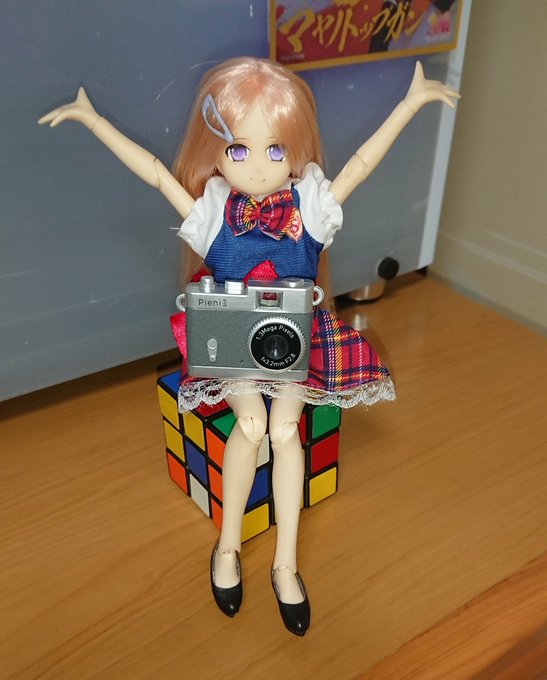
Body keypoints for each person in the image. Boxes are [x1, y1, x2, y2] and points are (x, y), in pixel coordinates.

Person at [39, 57, 459, 636]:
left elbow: (361, 166)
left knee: (285, 432)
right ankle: (229, 546)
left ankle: (285, 563)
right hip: (236, 337)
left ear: (295, 150)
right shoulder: (215, 213)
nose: (258, 166)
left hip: (294, 338)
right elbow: (157, 174)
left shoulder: (309, 207)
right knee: (253, 425)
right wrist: (94, 121)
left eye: (275, 149)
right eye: (239, 149)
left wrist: (410, 105)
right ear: (218, 152)